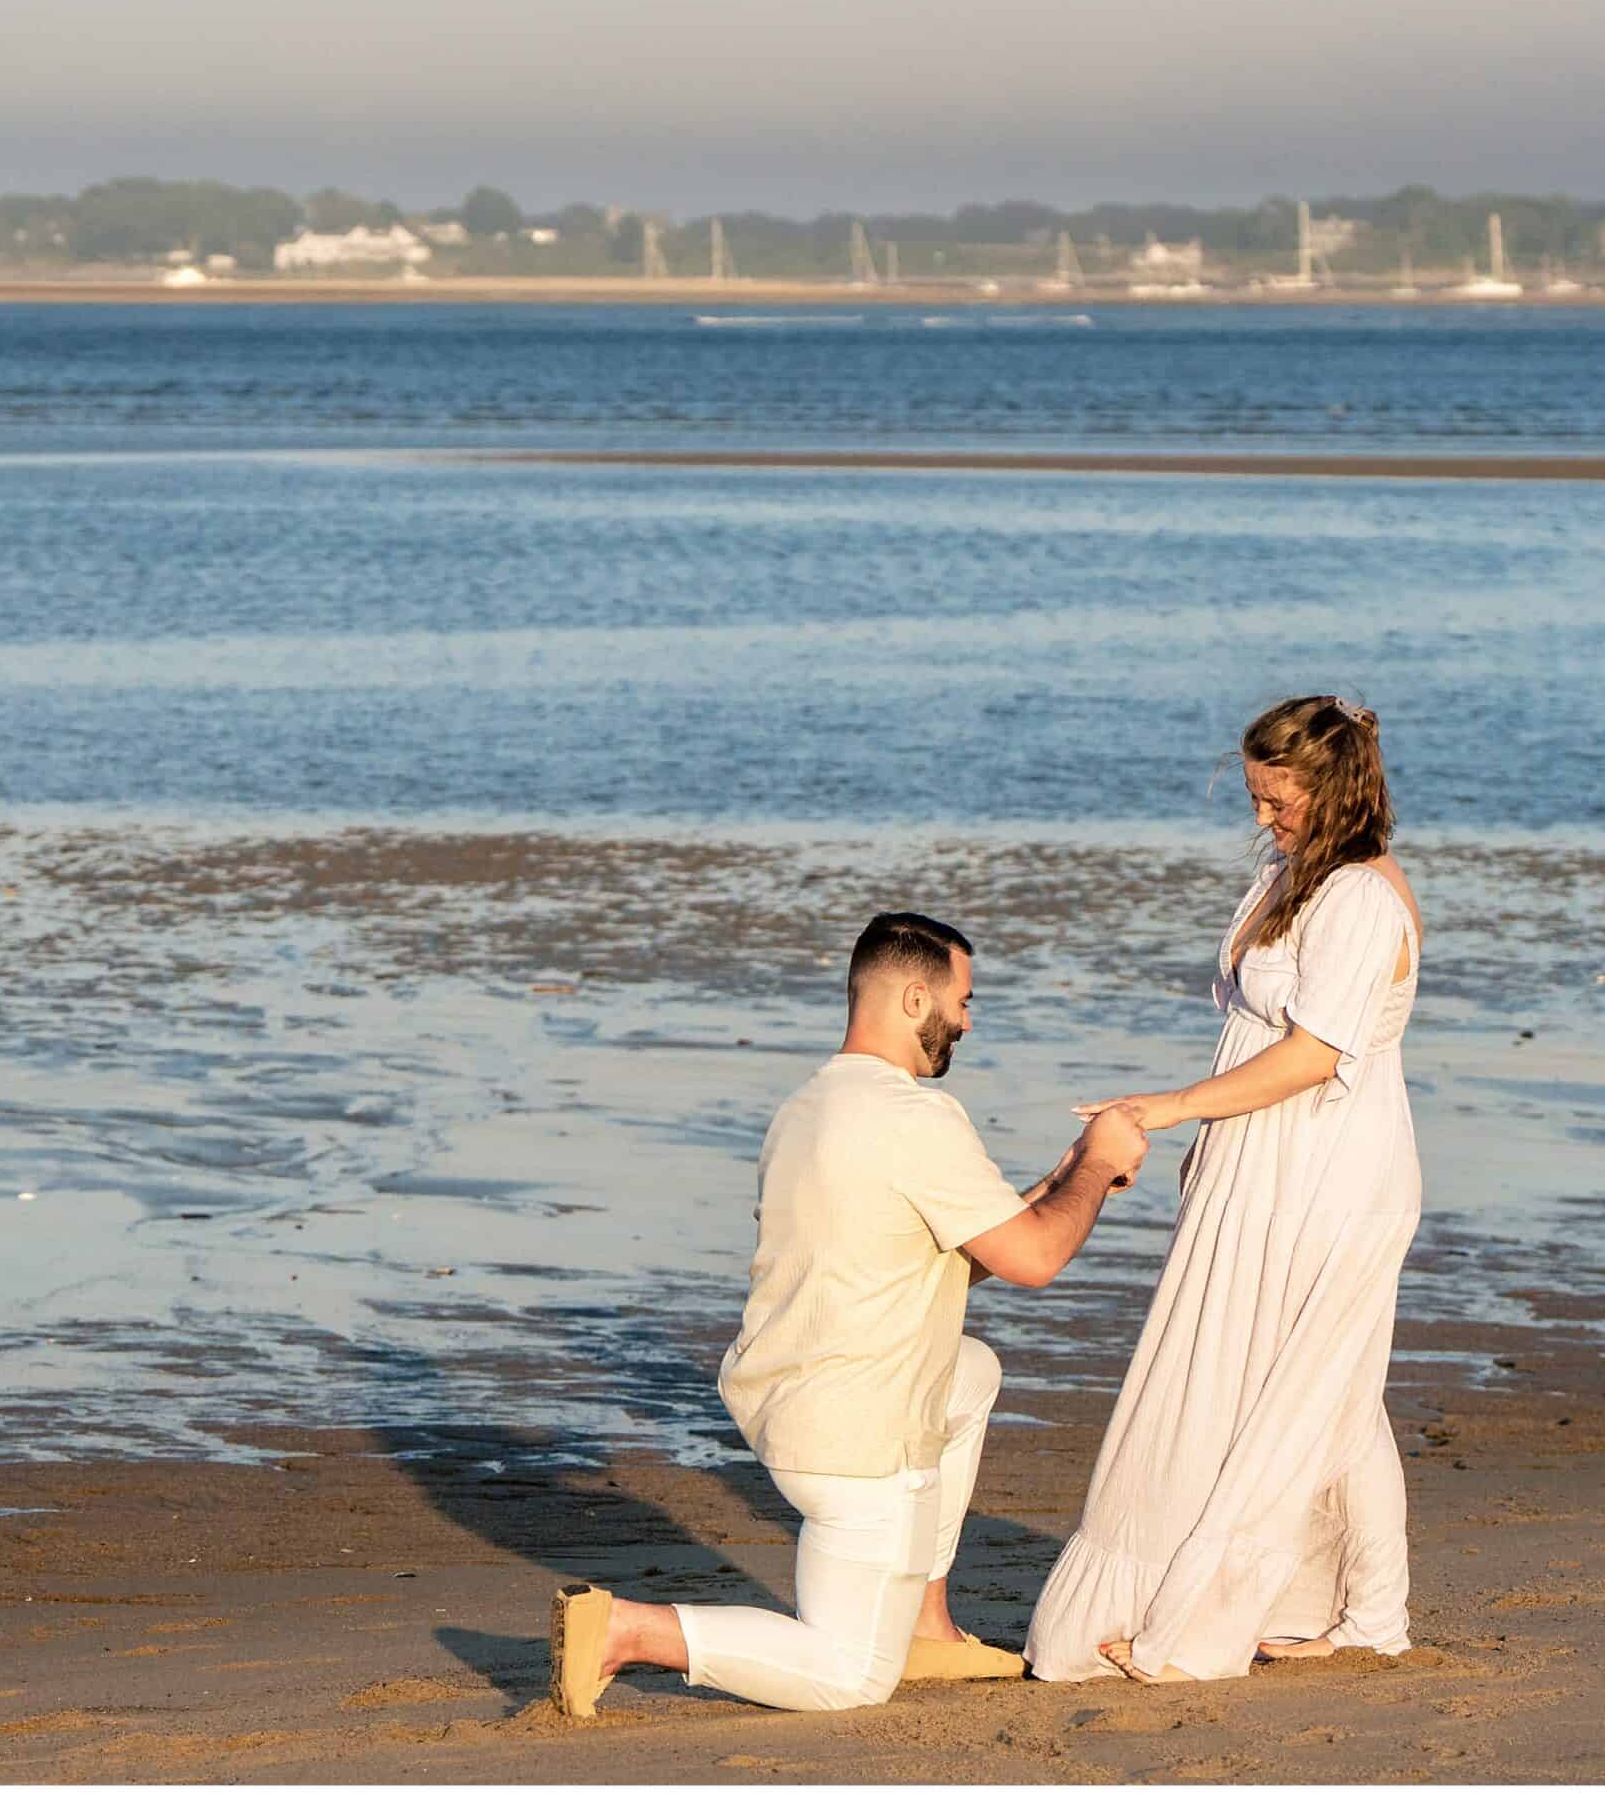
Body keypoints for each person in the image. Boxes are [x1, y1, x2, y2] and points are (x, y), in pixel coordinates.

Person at [550, 911, 1149, 1718]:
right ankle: (627, 1629)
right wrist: (1105, 1163)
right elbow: (1035, 1260)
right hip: (857, 1445)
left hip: (788, 1407)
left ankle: (928, 1627)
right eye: (962, 1000)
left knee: (971, 1371)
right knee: (848, 1675)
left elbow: (936, 1256)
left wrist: (1073, 1173)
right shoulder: (915, 1118)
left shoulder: (806, 1108)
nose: (968, 1020)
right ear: (913, 996)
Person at [1025, 694, 1426, 1683]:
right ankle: (1364, 1615)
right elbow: (1257, 1031)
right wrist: (1213, 1149)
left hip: (1328, 1171)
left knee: (1312, 1393)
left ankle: (1255, 1619)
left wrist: (1175, 1107)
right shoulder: (1293, 877)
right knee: (1329, 1394)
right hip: (1264, 1162)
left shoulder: (1362, 901)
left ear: (1330, 790)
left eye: (1275, 800)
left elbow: (1311, 1054)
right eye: (1253, 798)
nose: (1261, 818)